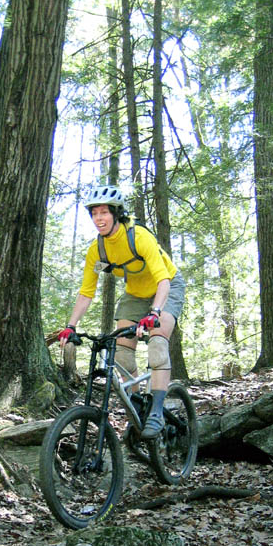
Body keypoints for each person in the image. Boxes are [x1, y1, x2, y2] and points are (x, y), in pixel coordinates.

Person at [58, 184, 185, 438]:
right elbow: (86, 292)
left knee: (158, 345)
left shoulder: (138, 236)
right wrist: (70, 326)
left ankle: (157, 412)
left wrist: (155, 313)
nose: (98, 219)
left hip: (167, 287)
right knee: (121, 354)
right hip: (135, 293)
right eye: (94, 214)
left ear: (116, 214)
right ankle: (137, 407)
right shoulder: (97, 250)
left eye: (104, 212)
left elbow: (163, 281)